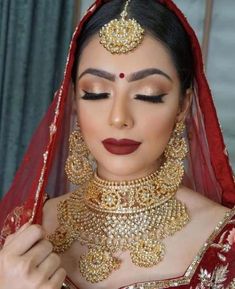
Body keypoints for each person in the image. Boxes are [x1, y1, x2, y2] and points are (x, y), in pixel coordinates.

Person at [0, 0, 235, 288]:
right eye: (96, 93)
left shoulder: (225, 244)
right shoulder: (22, 234)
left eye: (148, 95)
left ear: (183, 105)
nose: (119, 118)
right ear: (73, 100)